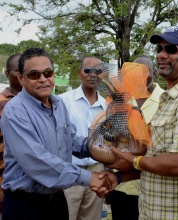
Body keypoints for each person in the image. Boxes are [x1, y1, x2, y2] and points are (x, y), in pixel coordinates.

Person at [103, 26, 178, 219]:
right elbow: (156, 159)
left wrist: (132, 160)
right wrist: (119, 177)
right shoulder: (170, 99)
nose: (162, 55)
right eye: (159, 49)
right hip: (152, 212)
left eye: (171, 49)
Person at [0, 48, 109, 220]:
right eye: (34, 74)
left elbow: (71, 141)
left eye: (47, 73)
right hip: (26, 205)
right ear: (21, 78)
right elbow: (36, 160)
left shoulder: (58, 103)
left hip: (57, 200)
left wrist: (103, 146)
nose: (43, 79)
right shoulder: (15, 111)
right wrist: (88, 177)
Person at [108, 56, 165, 219]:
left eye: (144, 71)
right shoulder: (120, 100)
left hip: (148, 188)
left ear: (154, 73)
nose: (138, 76)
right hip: (120, 185)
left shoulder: (165, 100)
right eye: (134, 71)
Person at [59, 56, 107, 220]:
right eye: (88, 70)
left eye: (98, 71)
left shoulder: (108, 105)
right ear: (80, 73)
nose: (92, 75)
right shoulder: (63, 101)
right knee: (67, 215)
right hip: (70, 170)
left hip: (98, 170)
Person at [0, 53, 22, 219]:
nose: (22, 74)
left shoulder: (39, 103)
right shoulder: (1, 103)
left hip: (29, 187)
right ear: (7, 74)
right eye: (17, 70)